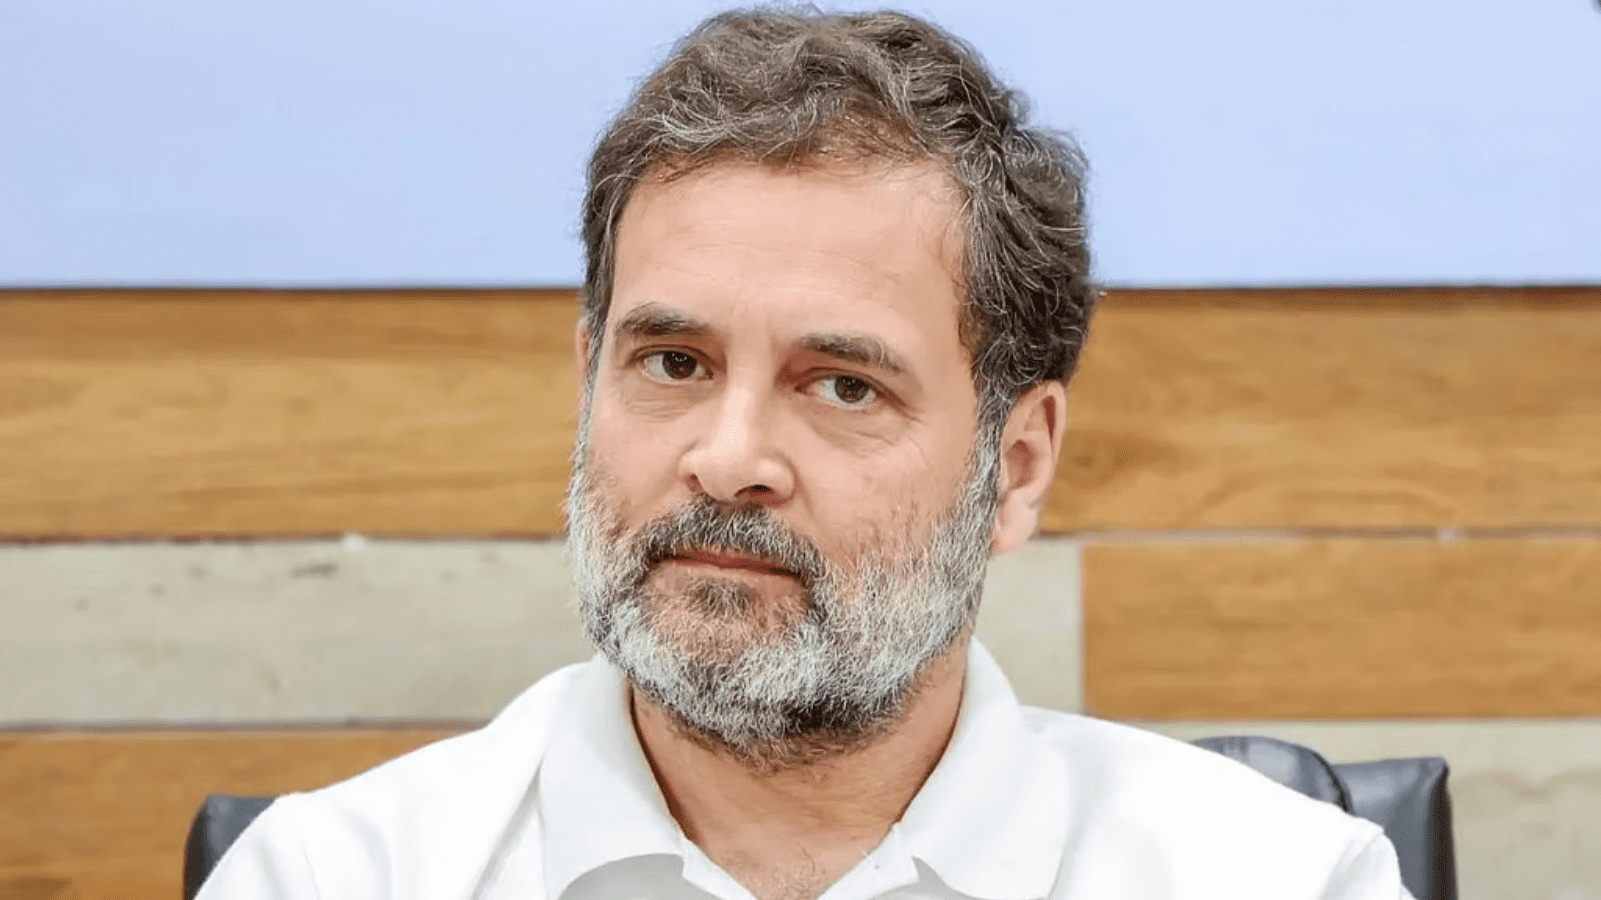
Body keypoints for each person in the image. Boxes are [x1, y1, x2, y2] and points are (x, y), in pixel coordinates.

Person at [199, 8, 1411, 900]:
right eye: (672, 363)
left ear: (1016, 466)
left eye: (842, 385)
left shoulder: (1280, 882)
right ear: (587, 384)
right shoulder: (330, 878)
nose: (727, 460)